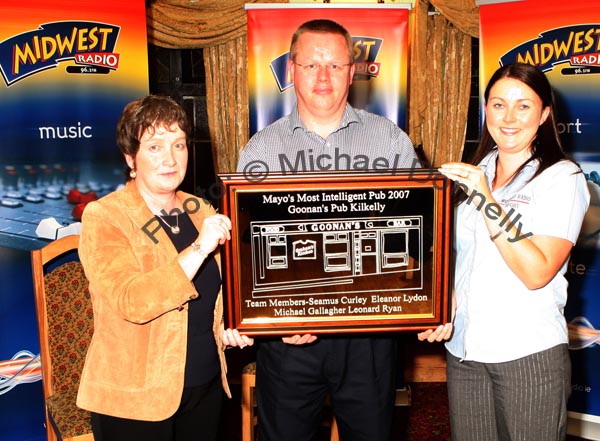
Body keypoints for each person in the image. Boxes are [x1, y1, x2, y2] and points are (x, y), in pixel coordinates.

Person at [237, 19, 420, 441]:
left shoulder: (391, 141)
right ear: (291, 70)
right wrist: (275, 316)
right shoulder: (261, 149)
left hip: (368, 336)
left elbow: (415, 240)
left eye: (335, 66)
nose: (323, 77)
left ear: (352, 72)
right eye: (311, 65)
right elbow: (249, 249)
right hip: (289, 336)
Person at [418, 63, 590, 441]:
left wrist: (486, 199)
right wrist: (443, 304)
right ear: (486, 109)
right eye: (498, 104)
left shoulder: (563, 178)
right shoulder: (477, 170)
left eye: (523, 106)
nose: (509, 118)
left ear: (545, 114)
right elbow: (460, 261)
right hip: (464, 351)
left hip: (527, 353)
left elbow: (536, 272)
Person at [76, 95, 254, 441]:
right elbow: (133, 301)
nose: (170, 159)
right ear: (131, 158)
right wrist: (200, 247)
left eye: (179, 145)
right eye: (155, 147)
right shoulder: (106, 217)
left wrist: (229, 327)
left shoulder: (200, 209)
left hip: (204, 386)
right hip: (134, 399)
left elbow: (214, 295)